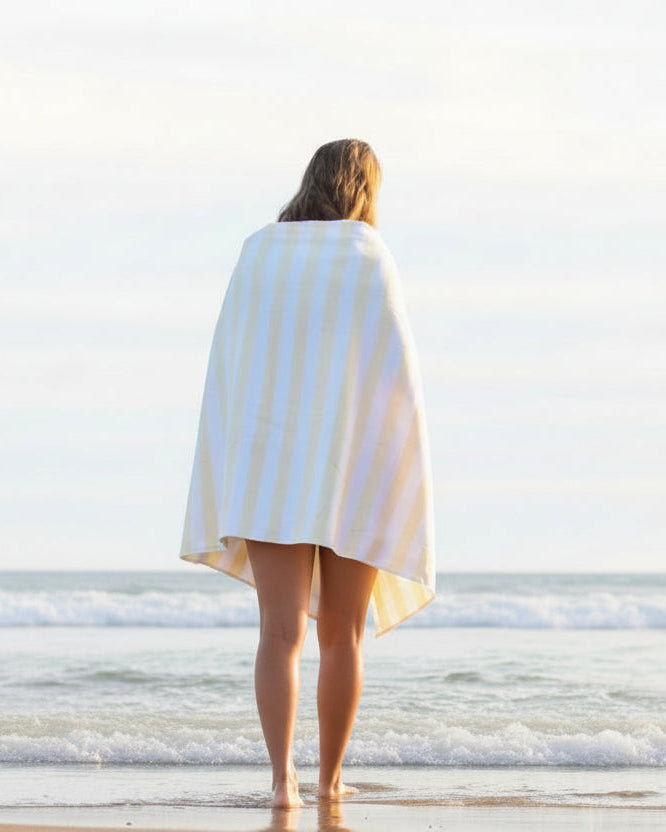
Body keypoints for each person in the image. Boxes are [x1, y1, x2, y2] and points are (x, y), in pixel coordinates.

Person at [179, 138, 436, 809]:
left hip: (269, 466)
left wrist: (234, 459)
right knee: (342, 634)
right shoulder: (368, 252)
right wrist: (401, 467)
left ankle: (281, 784)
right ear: (364, 189)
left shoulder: (258, 250)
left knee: (278, 631)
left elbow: (232, 362)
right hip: (353, 469)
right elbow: (395, 379)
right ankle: (328, 782)